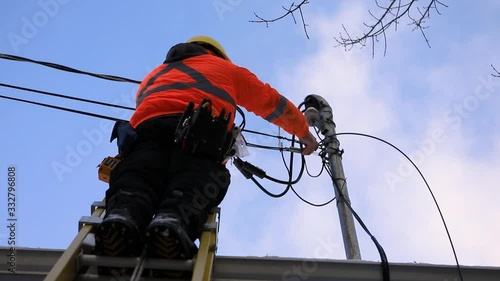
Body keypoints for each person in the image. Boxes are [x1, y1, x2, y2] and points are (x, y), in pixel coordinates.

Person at [94, 35, 318, 272]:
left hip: (145, 133)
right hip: (199, 132)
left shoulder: (154, 75)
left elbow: (147, 103)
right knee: (196, 179)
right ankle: (171, 224)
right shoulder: (226, 69)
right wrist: (303, 131)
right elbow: (270, 101)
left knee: (138, 178)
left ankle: (122, 217)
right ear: (217, 54)